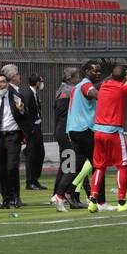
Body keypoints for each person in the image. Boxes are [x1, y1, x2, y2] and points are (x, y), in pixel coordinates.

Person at [87, 62, 127, 213]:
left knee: (99, 166)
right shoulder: (122, 88)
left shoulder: (105, 85)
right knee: (122, 166)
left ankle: (93, 200)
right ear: (124, 78)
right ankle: (122, 202)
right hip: (113, 132)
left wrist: (126, 82)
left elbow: (118, 88)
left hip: (98, 132)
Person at [0, 67, 28, 208]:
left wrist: (22, 110)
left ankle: (16, 197)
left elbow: (24, 114)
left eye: (3, 82)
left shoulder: (15, 96)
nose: (0, 84)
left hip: (13, 136)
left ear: (7, 83)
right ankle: (6, 199)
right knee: (1, 170)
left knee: (12, 168)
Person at [67, 59, 103, 209]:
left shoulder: (76, 87)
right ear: (86, 72)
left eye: (99, 71)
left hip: (74, 129)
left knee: (78, 166)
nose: (98, 73)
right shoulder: (86, 85)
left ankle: (66, 193)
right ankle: (98, 200)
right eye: (95, 70)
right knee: (97, 165)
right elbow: (96, 94)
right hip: (85, 130)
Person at [51, 67, 80, 211]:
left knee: (65, 164)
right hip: (66, 131)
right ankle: (64, 195)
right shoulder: (70, 91)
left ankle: (57, 193)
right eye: (77, 77)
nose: (79, 80)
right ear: (70, 78)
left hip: (60, 131)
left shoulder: (61, 90)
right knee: (72, 164)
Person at [23, 73, 46, 190]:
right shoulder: (28, 94)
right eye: (41, 81)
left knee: (40, 153)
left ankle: (35, 179)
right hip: (32, 128)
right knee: (31, 155)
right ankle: (30, 181)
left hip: (37, 127)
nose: (42, 84)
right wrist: (29, 129)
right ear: (37, 83)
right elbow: (25, 113)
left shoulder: (34, 93)